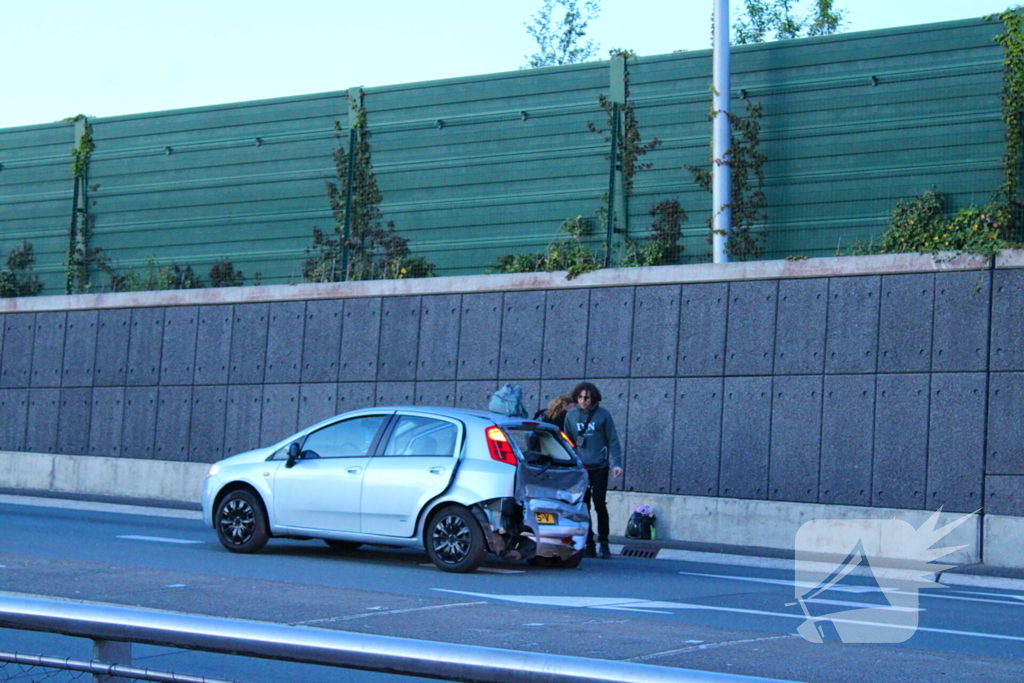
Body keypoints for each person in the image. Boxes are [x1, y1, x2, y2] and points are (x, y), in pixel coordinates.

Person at [563, 381, 622, 559]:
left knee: (599, 504)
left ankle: (604, 542)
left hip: (600, 466)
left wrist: (617, 463)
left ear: (593, 398)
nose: (583, 401)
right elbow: (567, 442)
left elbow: (613, 439)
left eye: (586, 397)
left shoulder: (603, 415)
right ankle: (588, 543)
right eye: (580, 397)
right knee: (584, 505)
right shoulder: (571, 416)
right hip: (582, 469)